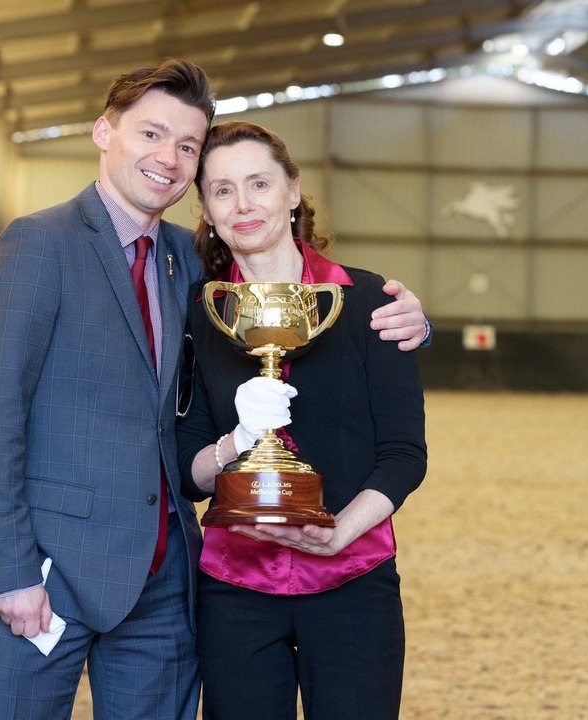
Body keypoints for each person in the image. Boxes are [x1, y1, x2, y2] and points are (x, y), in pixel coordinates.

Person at [0, 59, 429, 720]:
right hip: (58, 569)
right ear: (103, 132)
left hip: (169, 580)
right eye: (151, 134)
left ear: (292, 190)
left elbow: (393, 429)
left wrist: (416, 324)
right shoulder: (46, 245)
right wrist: (8, 568)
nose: (168, 158)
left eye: (186, 145)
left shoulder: (189, 267)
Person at [176, 121, 427, 720]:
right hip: (235, 589)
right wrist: (236, 441)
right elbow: (187, 471)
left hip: (353, 580)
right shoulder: (201, 313)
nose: (243, 204)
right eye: (223, 190)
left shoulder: (371, 302)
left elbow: (404, 455)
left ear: (293, 191)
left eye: (259, 183)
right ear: (207, 210)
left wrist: (341, 533)